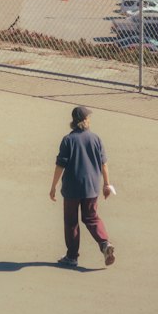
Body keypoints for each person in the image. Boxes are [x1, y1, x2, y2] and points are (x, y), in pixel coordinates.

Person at [49, 105, 115, 269]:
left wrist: (53, 186)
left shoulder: (68, 140)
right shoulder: (96, 139)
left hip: (72, 188)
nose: (89, 120)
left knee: (71, 222)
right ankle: (104, 244)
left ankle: (72, 257)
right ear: (84, 121)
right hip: (91, 188)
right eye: (88, 118)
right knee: (91, 218)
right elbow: (104, 164)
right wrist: (106, 184)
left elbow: (60, 166)